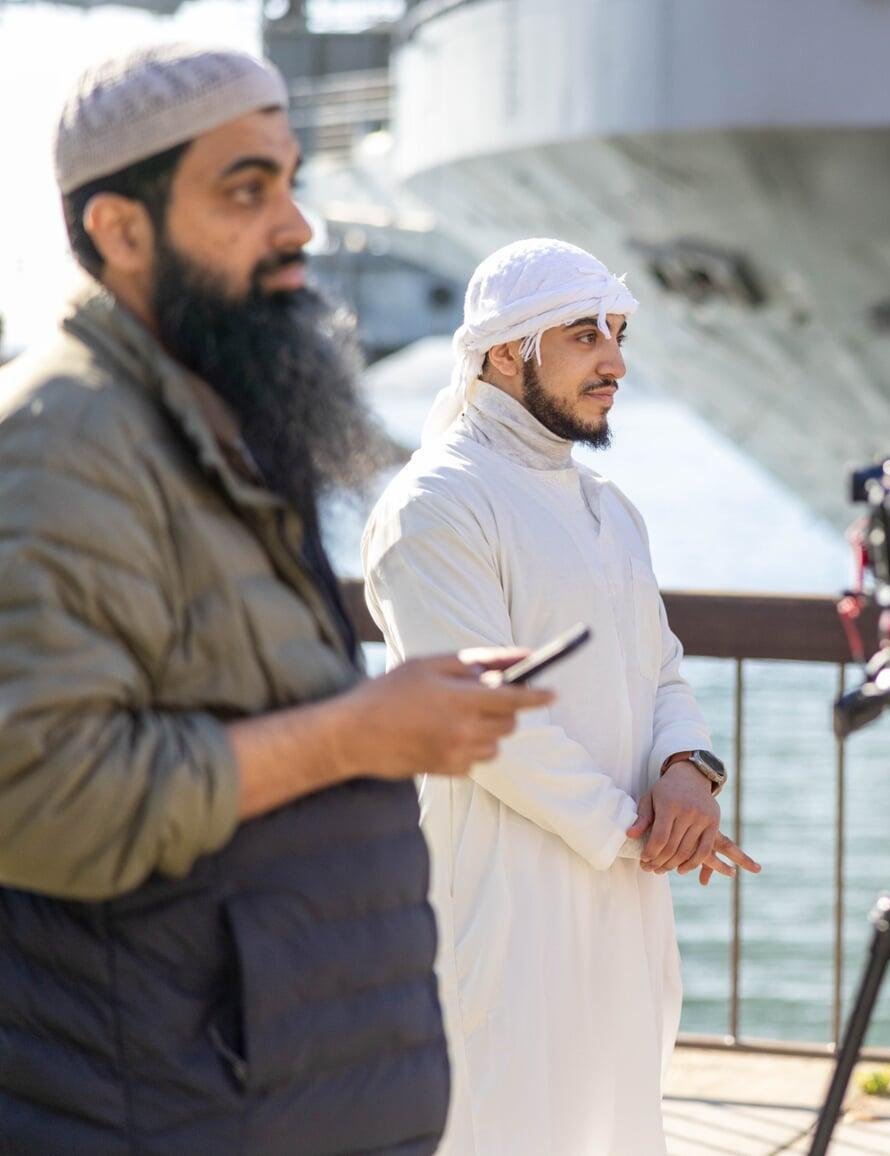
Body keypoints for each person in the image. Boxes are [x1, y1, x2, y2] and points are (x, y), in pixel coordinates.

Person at [0, 44, 551, 1155]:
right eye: (245, 191)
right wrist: (358, 733)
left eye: (290, 181)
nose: (298, 226)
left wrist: (392, 713)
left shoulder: (198, 410)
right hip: (168, 1105)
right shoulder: (69, 439)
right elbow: (43, 798)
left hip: (262, 1091)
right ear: (120, 229)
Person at [362, 237, 760, 1156]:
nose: (615, 361)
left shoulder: (609, 506)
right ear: (507, 352)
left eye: (618, 334)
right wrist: (638, 831)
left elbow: (661, 669)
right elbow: (482, 721)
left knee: (618, 1126)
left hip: (624, 893)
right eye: (585, 335)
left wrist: (689, 772)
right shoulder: (437, 504)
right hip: (504, 903)